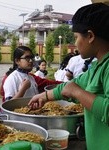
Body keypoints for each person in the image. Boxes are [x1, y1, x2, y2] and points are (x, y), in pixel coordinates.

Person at [28, 3, 109, 150]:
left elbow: (75, 89)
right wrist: (43, 97)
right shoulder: (98, 66)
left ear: (90, 36)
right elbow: (70, 86)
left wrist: (77, 92)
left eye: (76, 37)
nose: (75, 43)